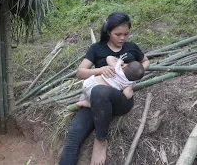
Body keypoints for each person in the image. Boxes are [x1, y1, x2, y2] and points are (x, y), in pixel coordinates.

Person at [59, 12, 150, 165]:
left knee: (99, 91)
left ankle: (100, 141)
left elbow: (145, 62)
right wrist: (100, 70)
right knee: (73, 137)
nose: (122, 38)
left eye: (126, 34)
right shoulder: (97, 49)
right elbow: (80, 72)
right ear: (108, 32)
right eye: (118, 34)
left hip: (119, 100)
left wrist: (133, 77)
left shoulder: (131, 47)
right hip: (95, 101)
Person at [67, 54, 145, 110]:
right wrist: (131, 90)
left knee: (87, 93)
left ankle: (84, 96)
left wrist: (118, 61)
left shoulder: (117, 67)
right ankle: (85, 104)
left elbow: (109, 57)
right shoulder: (128, 83)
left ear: (125, 66)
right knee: (98, 104)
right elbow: (127, 95)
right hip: (98, 93)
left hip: (89, 82)